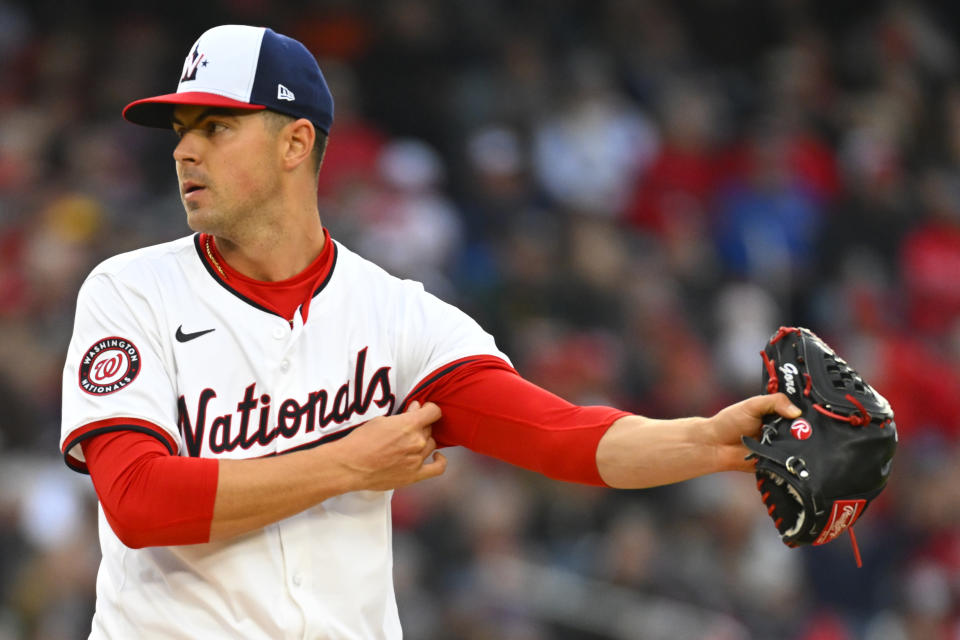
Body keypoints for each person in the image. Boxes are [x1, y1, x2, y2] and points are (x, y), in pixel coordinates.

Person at [60, 25, 801, 640]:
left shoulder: (395, 314)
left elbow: (562, 435)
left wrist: (709, 442)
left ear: (294, 145)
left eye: (216, 127)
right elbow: (140, 502)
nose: (184, 150)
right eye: (183, 130)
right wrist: (347, 463)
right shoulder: (131, 293)